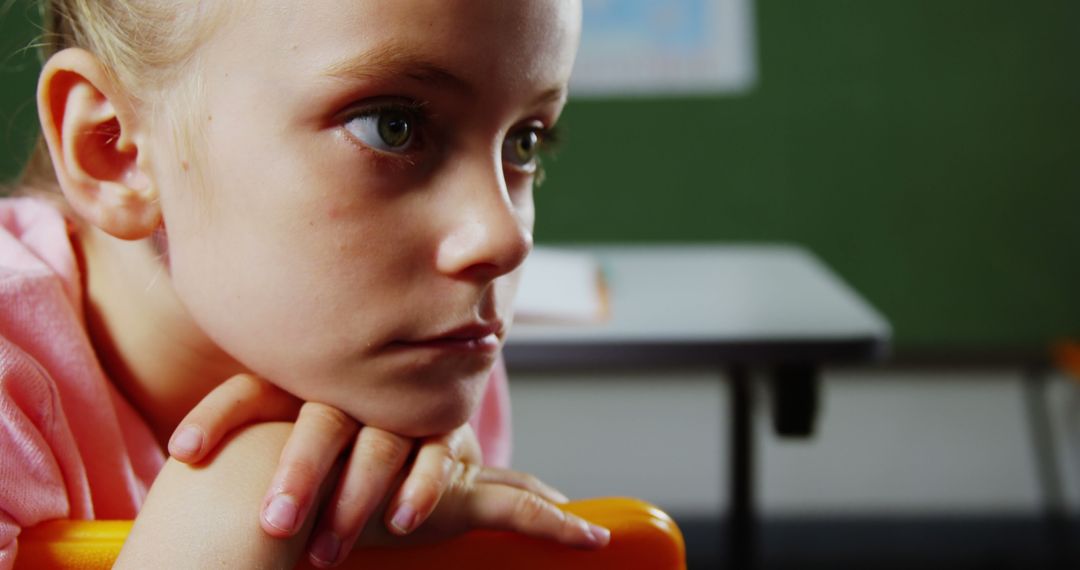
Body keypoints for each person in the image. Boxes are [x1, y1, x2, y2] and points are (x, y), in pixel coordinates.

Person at [0, 0, 605, 567]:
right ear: (115, 151)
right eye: (391, 126)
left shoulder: (425, 356)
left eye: (526, 140)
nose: (503, 239)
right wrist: (237, 502)